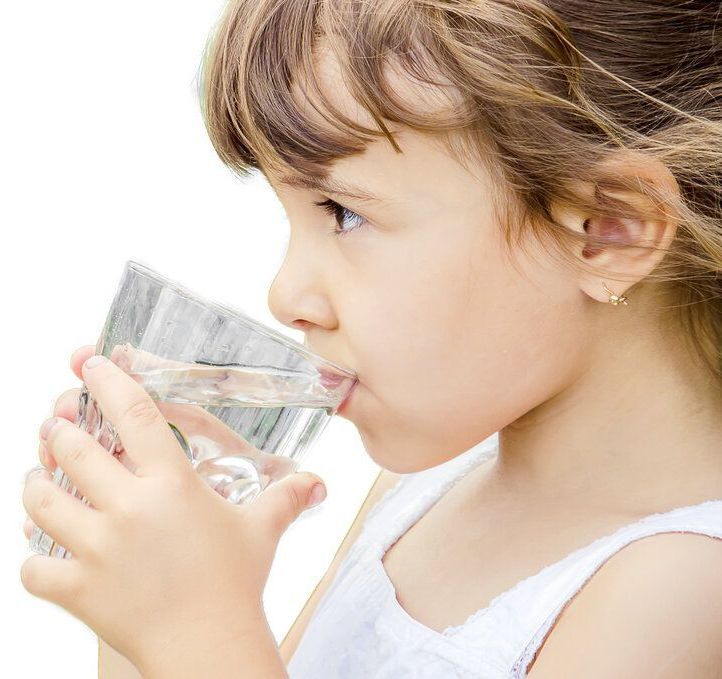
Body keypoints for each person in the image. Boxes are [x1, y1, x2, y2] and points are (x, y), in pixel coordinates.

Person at [30, 1, 722, 676]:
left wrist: (193, 630)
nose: (286, 294)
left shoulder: (679, 589)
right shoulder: (424, 488)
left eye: (344, 213)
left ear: (609, 230)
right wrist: (142, 601)